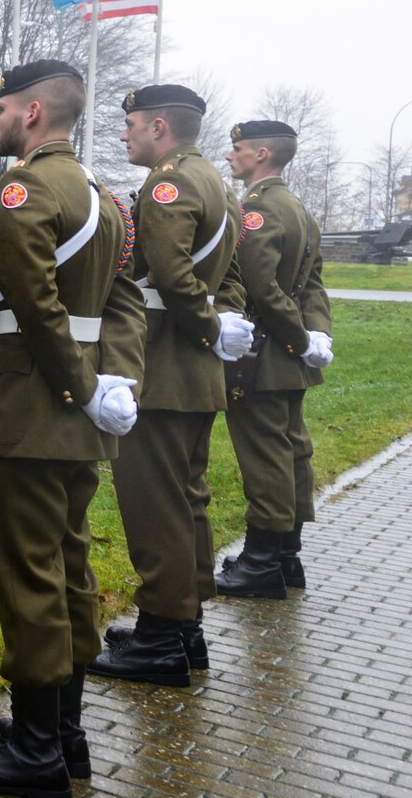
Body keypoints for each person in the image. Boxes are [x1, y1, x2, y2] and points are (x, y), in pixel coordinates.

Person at [0, 60, 145, 798]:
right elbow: (123, 304)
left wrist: (83, 387)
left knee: (27, 579)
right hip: (80, 421)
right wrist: (114, 384)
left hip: (27, 410)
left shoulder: (25, 189)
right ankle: (67, 734)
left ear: (30, 111)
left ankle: (32, 751)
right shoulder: (104, 197)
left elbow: (33, 304)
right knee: (68, 570)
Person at [89, 84, 243, 687]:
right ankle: (183, 626)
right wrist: (217, 327)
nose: (124, 134)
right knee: (188, 500)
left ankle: (160, 636)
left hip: (163, 363)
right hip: (194, 369)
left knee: (156, 506)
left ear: (158, 127)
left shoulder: (169, 183)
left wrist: (205, 326)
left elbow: (172, 273)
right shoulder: (215, 181)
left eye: (130, 124)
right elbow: (224, 272)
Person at [211, 119, 334, 598]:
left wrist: (300, 338)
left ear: (262, 154)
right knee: (293, 450)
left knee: (266, 457)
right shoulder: (297, 207)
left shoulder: (259, 210)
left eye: (237, 148)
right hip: (290, 355)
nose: (230, 155)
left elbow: (260, 289)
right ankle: (286, 557)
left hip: (260, 355)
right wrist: (314, 334)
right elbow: (314, 285)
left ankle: (261, 563)